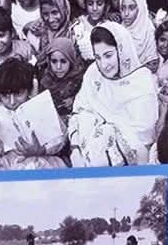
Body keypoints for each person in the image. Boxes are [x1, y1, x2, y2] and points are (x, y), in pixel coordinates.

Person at [69, 23, 161, 166]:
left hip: (128, 164)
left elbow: (142, 138)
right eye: (98, 57)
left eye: (108, 55)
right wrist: (75, 148)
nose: (103, 64)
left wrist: (105, 135)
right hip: (86, 153)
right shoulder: (94, 73)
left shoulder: (141, 82)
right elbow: (80, 109)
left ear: (122, 50)